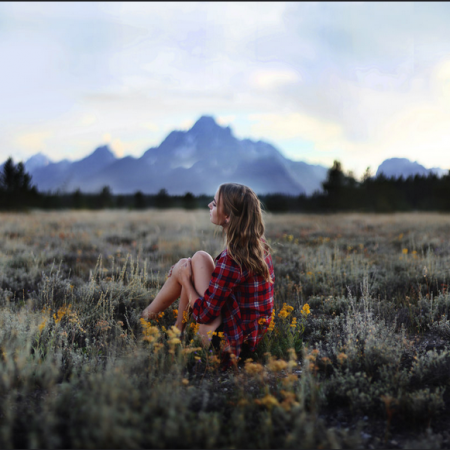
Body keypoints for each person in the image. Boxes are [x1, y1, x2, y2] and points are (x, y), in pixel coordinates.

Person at [142, 182, 275, 364]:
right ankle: (175, 330)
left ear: (227, 215)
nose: (209, 206)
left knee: (187, 269)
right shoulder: (258, 246)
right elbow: (221, 282)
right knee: (196, 260)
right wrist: (187, 273)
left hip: (230, 345)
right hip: (247, 336)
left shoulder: (234, 259)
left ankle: (148, 321)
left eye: (214, 203)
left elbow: (204, 314)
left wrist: (186, 281)